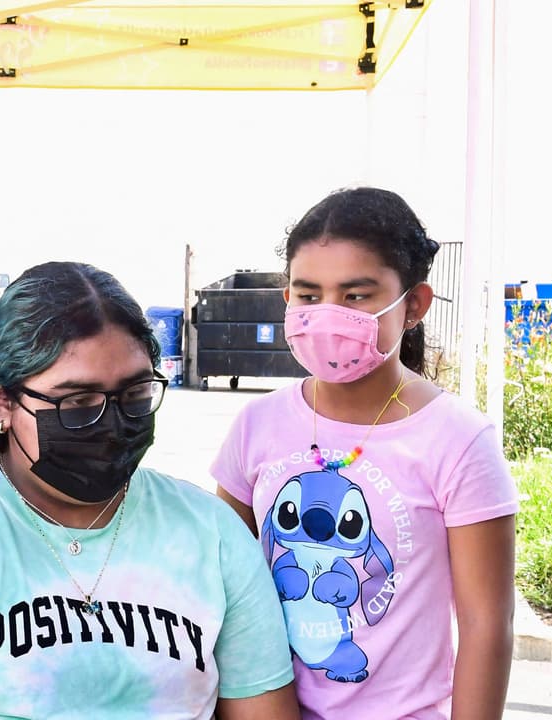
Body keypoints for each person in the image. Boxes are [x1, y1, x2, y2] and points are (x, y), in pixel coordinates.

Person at [0, 262, 299, 720]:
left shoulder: (211, 533)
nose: (112, 423)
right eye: (77, 402)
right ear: (2, 402)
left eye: (135, 394)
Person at [212, 187, 518, 719]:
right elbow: (225, 587)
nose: (329, 315)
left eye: (355, 296)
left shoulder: (458, 439)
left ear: (414, 305)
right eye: (309, 296)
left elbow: (486, 624)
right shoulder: (256, 425)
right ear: (287, 298)